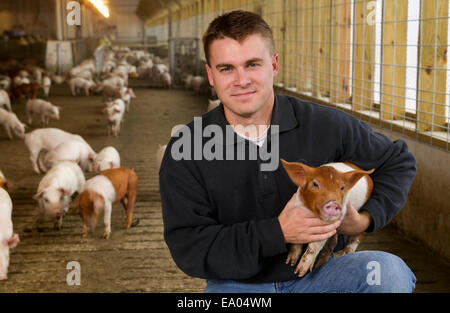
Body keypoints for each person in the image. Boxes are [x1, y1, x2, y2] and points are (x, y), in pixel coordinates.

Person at [159, 10, 417, 293]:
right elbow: (188, 246)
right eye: (226, 68)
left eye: (253, 64)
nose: (241, 80)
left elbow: (398, 160)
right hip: (238, 285)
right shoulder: (188, 147)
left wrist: (363, 220)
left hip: (321, 275)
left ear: (274, 64)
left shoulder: (325, 124)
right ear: (210, 74)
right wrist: (277, 233)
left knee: (388, 274)